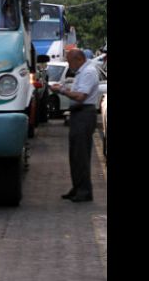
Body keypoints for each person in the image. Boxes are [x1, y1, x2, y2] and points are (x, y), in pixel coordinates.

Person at [49, 48, 100, 203]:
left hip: (85, 113)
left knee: (81, 155)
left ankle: (84, 191)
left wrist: (62, 90)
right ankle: (77, 187)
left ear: (79, 59)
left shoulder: (88, 72)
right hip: (79, 114)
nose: (70, 65)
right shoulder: (81, 72)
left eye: (70, 62)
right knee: (75, 154)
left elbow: (80, 96)